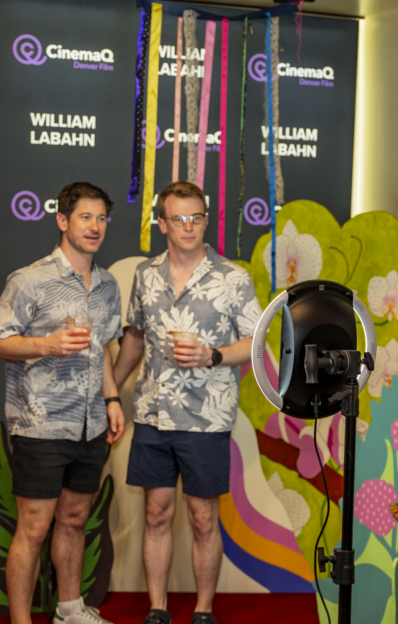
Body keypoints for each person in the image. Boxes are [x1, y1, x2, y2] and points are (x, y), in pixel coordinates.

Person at [112, 181, 263, 624]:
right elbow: (135, 337)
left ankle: (202, 611)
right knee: (156, 514)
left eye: (196, 217)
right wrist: (110, 390)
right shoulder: (146, 274)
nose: (189, 226)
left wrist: (213, 355)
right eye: (178, 218)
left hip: (206, 416)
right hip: (153, 412)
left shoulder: (233, 277)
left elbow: (255, 340)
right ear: (162, 224)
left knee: (202, 518)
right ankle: (157, 610)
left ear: (205, 219)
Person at [0, 182, 125, 624]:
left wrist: (113, 398)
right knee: (34, 528)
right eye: (85, 217)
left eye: (101, 218)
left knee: (75, 518)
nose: (95, 227)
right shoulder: (30, 279)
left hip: (91, 424)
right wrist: (46, 344)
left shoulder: (106, 287)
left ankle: (70, 610)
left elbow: (101, 348)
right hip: (41, 423)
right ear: (63, 221)